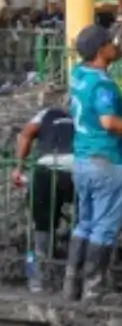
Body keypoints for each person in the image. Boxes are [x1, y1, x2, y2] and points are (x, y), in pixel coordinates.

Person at [65, 25, 122, 302]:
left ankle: (72, 285)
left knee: (85, 223)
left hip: (82, 160)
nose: (115, 47)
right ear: (101, 50)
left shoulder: (78, 75)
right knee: (103, 226)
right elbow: (108, 122)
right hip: (107, 160)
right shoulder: (102, 84)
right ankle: (94, 289)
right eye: (111, 43)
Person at [13, 102, 76, 294]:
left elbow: (25, 134)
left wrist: (19, 167)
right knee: (85, 223)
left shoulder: (45, 114)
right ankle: (73, 278)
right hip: (77, 170)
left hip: (46, 168)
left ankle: (35, 280)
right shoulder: (82, 115)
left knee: (40, 229)